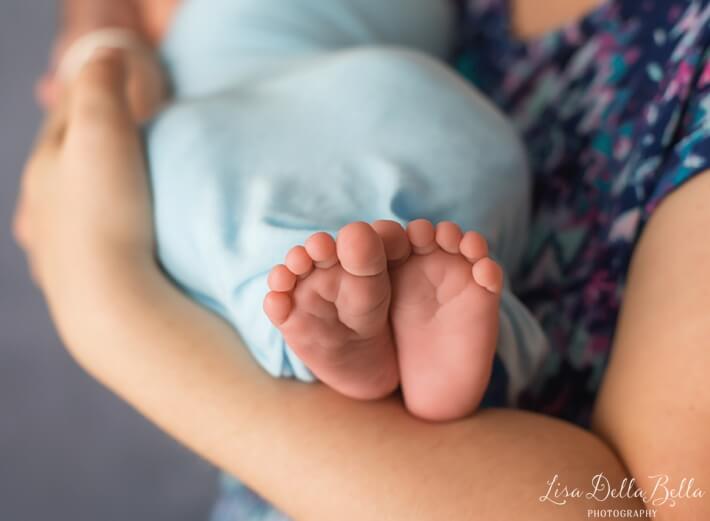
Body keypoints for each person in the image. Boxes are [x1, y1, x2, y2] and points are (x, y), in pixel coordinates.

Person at [16, 0, 710, 519]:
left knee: (206, 188)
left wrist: (111, 306)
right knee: (381, 241)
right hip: (434, 136)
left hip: (262, 130)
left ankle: (328, 325)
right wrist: (97, 37)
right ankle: (467, 338)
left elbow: (614, 509)